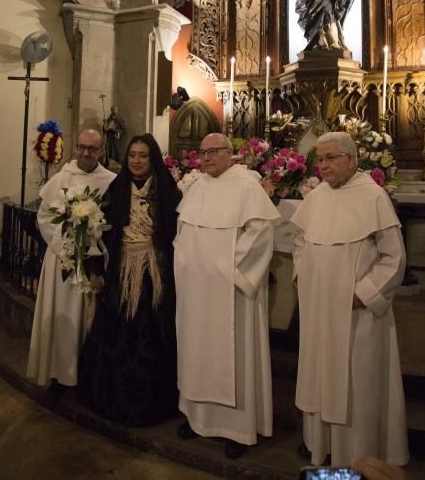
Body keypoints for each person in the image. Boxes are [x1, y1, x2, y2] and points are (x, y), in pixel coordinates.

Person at [290, 132, 408, 467]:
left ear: (351, 160)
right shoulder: (317, 198)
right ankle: (320, 444)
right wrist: (306, 275)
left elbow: (393, 258)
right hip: (319, 310)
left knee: (358, 384)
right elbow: (300, 240)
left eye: (329, 158)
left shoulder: (373, 197)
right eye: (320, 159)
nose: (322, 166)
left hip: (359, 315)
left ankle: (359, 459)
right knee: (320, 374)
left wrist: (364, 293)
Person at [174, 133, 280, 459]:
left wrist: (231, 271)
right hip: (195, 290)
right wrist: (186, 262)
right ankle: (197, 418)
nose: (205, 158)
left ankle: (236, 429)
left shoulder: (246, 186)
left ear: (228, 153)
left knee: (234, 356)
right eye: (202, 153)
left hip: (231, 291)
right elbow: (183, 233)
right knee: (196, 349)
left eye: (212, 152)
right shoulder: (196, 188)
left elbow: (261, 232)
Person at [77, 133, 181, 425]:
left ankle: (154, 401)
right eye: (132, 155)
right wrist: (95, 269)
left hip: (155, 272)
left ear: (153, 158)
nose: (136, 160)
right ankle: (110, 396)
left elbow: (177, 231)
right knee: (116, 333)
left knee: (152, 333)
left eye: (143, 155)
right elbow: (97, 231)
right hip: (122, 272)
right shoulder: (116, 187)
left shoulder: (167, 188)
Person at [27, 129, 115, 395]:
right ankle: (59, 376)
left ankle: (88, 377)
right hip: (62, 262)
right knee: (63, 317)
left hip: (96, 262)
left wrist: (93, 245)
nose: (86, 153)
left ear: (101, 151)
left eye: (92, 148)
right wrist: (64, 245)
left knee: (89, 320)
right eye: (82, 147)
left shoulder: (111, 181)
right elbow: (44, 217)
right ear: (76, 147)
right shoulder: (61, 178)